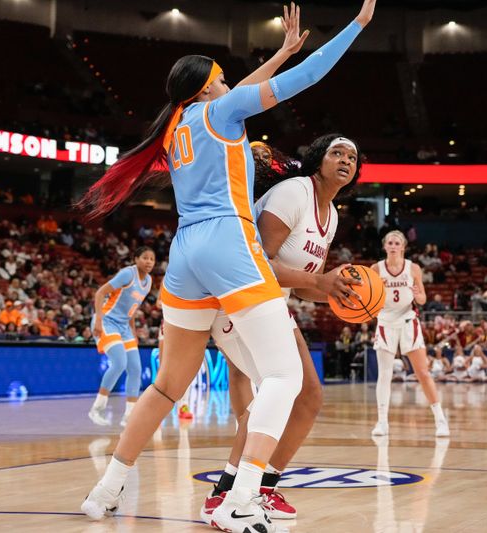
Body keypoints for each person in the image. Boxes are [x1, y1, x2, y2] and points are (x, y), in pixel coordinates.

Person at [79, 2, 377, 529]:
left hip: (185, 251)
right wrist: (354, 27)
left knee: (168, 385)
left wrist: (282, 50)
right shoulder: (220, 113)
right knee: (284, 377)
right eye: (221, 79)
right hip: (228, 241)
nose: (227, 83)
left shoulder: (176, 127)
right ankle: (240, 499)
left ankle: (107, 487)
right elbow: (307, 77)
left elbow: (239, 94)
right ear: (205, 90)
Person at [202, 134, 363, 524]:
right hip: (235, 298)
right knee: (278, 391)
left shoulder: (332, 215)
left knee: (307, 396)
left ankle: (263, 487)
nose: (345, 160)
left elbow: (306, 285)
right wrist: (323, 283)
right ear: (316, 159)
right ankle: (225, 493)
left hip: (270, 302)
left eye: (352, 157)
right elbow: (257, 261)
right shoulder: (293, 193)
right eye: (336, 152)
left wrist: (346, 297)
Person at [370, 230, 449, 437]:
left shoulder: (413, 268)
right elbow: (368, 299)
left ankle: (440, 420)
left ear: (403, 246)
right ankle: (382, 422)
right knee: (384, 375)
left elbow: (422, 299)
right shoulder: (376, 269)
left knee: (422, 373)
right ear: (385, 246)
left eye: (397, 243)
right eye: (390, 243)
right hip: (385, 321)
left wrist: (417, 294)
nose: (393, 246)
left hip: (407, 321)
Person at [87, 246, 155, 427]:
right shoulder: (127, 274)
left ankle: (129, 416)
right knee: (119, 363)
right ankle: (97, 409)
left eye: (152, 259)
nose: (148, 261)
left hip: (124, 327)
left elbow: (132, 308)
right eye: (145, 258)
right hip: (107, 321)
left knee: (135, 368)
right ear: (136, 259)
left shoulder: (148, 281)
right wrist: (99, 320)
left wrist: (133, 330)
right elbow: (100, 292)